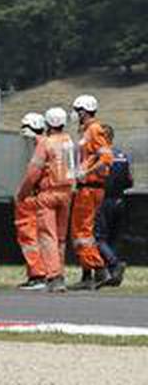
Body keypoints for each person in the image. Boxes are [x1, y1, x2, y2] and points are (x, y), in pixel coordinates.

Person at [17, 107, 76, 293]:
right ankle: (61, 273)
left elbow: (34, 172)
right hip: (67, 192)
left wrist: (22, 193)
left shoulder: (46, 144)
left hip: (48, 194)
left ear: (48, 123)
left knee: (47, 236)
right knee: (60, 238)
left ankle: (54, 277)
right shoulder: (68, 141)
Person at [70, 94, 113, 290]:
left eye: (77, 110)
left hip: (90, 188)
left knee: (82, 233)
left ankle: (100, 269)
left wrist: (86, 172)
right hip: (86, 188)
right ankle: (87, 274)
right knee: (82, 232)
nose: (75, 114)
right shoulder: (86, 131)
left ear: (84, 111)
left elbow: (106, 158)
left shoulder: (94, 130)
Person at [96, 124, 133, 288]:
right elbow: (129, 180)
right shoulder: (123, 155)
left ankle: (114, 264)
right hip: (120, 200)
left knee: (98, 238)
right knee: (113, 238)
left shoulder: (101, 156)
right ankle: (111, 274)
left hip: (104, 200)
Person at [15, 112, 49, 289]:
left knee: (29, 237)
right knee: (42, 237)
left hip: (31, 196)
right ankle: (43, 273)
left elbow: (31, 174)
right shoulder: (50, 143)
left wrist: (22, 193)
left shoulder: (33, 145)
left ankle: (38, 275)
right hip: (45, 196)